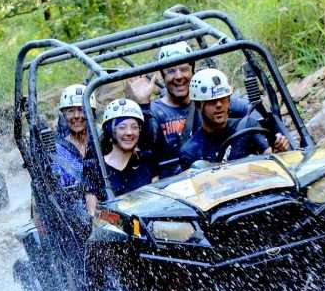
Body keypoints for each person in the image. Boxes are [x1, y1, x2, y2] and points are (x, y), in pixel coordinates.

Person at [125, 42, 254, 177]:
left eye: (183, 69)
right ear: (163, 76)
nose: (178, 76)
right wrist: (143, 105)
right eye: (171, 71)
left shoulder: (212, 98)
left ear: (192, 70)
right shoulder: (156, 112)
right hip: (176, 185)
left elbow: (251, 112)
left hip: (222, 174)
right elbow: (146, 144)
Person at [179, 68, 290, 170]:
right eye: (212, 101)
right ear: (199, 106)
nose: (219, 105)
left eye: (223, 99)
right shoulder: (190, 151)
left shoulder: (247, 126)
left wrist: (279, 150)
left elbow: (268, 154)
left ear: (229, 101)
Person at [83, 98, 157, 215]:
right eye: (122, 127)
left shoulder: (147, 160)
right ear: (110, 131)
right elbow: (93, 215)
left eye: (134, 127)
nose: (129, 132)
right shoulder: (95, 168)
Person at [52, 84, 96, 186]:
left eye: (81, 110)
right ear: (64, 115)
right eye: (71, 111)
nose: (76, 116)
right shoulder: (57, 150)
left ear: (92, 113)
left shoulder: (103, 142)